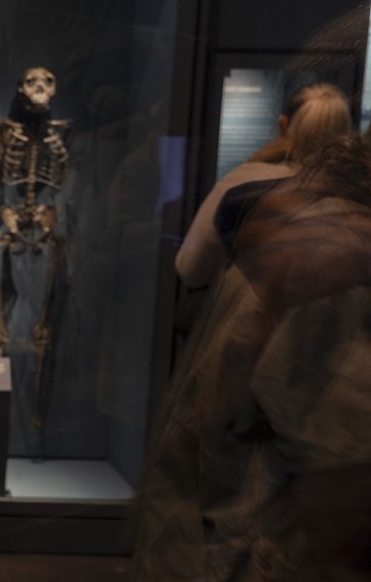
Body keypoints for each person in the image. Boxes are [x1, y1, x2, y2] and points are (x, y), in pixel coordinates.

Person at [133, 132, 371, 580]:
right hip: (249, 550)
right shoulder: (336, 270)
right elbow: (344, 494)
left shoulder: (295, 241)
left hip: (205, 536)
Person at [174, 82, 353, 288]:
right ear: (346, 133)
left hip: (251, 319)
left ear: (283, 124)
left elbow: (190, 269)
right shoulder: (355, 193)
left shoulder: (242, 182)